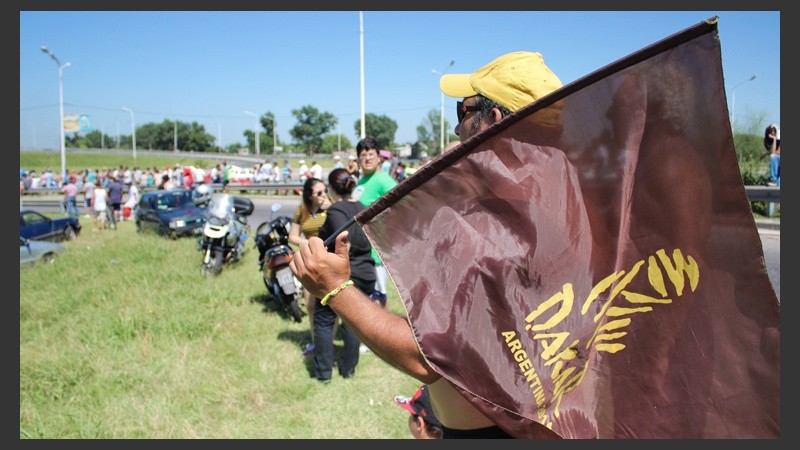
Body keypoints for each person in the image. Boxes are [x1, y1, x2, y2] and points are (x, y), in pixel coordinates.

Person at [289, 51, 562, 438]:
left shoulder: (484, 229)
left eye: (462, 111)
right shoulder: (566, 211)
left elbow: (427, 358)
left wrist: (336, 290)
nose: (456, 131)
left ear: (495, 121)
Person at [312, 168, 375, 383]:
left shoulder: (335, 211)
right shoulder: (363, 208)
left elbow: (342, 242)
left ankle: (323, 374)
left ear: (331, 188)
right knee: (352, 323)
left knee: (323, 320)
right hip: (366, 271)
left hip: (345, 274)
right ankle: (348, 370)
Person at [352, 137, 398, 316]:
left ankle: (377, 338)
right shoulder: (361, 181)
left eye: (371, 154)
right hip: (360, 249)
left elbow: (401, 204)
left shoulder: (382, 180)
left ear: (379, 157)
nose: (367, 158)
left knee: (377, 295)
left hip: (375, 250)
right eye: (363, 155)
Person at [288, 177, 332, 356]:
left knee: (332, 303)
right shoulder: (301, 210)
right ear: (309, 195)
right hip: (310, 259)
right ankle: (316, 343)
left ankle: (329, 341)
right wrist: (308, 243)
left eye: (325, 191)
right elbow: (292, 236)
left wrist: (330, 206)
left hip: (329, 257)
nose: (323, 195)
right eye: (319, 193)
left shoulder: (331, 207)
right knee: (311, 304)